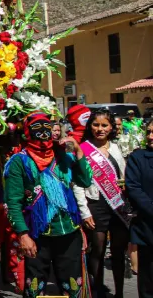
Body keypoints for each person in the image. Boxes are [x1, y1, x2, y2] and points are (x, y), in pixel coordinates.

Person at [5, 111, 93, 298]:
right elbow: (13, 201)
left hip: (68, 230)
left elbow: (85, 180)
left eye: (47, 127)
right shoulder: (19, 161)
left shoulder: (63, 156)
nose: (43, 133)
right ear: (27, 133)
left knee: (72, 286)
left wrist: (78, 151)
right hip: (37, 234)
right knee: (35, 287)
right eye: (37, 128)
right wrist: (23, 234)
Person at [74, 110, 130, 298]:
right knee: (97, 250)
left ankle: (119, 292)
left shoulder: (117, 147)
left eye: (104, 125)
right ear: (90, 126)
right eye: (96, 125)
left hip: (117, 203)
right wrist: (85, 212)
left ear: (111, 127)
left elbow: (123, 174)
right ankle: (97, 291)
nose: (100, 129)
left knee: (118, 251)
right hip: (95, 204)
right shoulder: (83, 148)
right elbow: (78, 183)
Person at [125, 119, 153, 298]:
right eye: (148, 132)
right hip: (148, 227)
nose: (150, 136)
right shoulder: (138, 158)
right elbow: (133, 188)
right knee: (148, 280)